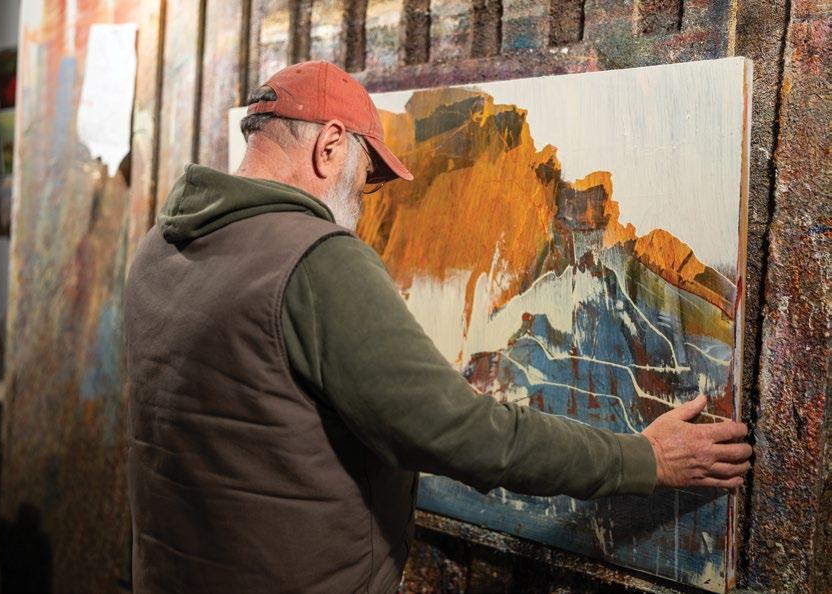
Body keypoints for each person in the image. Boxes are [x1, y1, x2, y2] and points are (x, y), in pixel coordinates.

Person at [123, 60, 752, 594]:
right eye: (367, 180)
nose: (362, 201)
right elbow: (459, 433)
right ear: (330, 145)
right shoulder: (315, 260)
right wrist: (642, 458)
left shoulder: (160, 247)